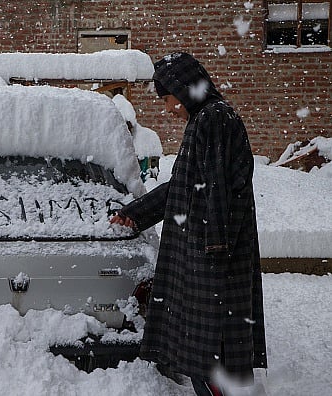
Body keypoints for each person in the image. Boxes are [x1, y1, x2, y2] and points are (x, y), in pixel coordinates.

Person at [110, 53, 267, 395]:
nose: (168, 109)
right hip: (208, 259)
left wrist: (214, 252)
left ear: (184, 90)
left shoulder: (213, 119)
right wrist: (136, 212)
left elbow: (217, 191)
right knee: (208, 359)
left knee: (213, 361)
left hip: (212, 264)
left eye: (168, 99)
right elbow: (183, 186)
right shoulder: (207, 120)